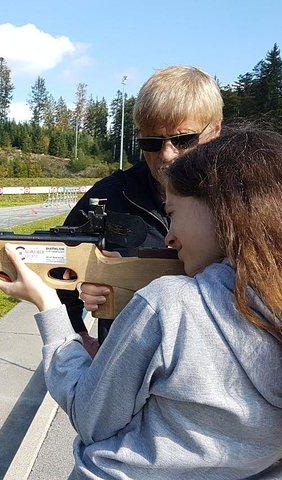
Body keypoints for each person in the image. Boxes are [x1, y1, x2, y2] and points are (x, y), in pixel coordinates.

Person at [0, 125, 282, 479]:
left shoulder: (169, 306)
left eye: (173, 214)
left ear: (220, 209)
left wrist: (47, 306)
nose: (169, 237)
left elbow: (90, 416)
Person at [59, 66, 223, 357]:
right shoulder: (110, 193)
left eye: (183, 139)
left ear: (215, 130)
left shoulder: (247, 199)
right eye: (151, 143)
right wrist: (79, 334)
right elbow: (57, 263)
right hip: (125, 372)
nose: (167, 155)